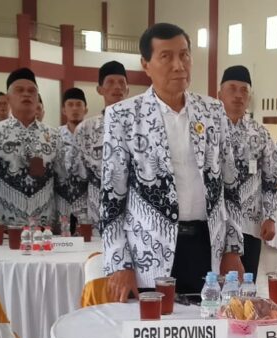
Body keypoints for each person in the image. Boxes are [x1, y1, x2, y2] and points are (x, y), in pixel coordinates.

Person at [101, 23, 243, 299]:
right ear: (146, 64)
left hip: (206, 246)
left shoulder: (213, 111)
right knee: (155, 324)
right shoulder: (123, 116)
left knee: (207, 321)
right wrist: (120, 263)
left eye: (184, 55)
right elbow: (111, 197)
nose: (179, 65)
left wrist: (233, 249)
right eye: (166, 56)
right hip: (148, 251)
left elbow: (230, 184)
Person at [0, 68, 68, 233]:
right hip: (5, 233)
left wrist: (64, 230)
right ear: (8, 98)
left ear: (37, 98)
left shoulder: (53, 136)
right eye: (19, 90)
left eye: (31, 91)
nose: (26, 94)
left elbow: (62, 184)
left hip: (44, 233)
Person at [217, 65, 277, 279]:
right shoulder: (208, 129)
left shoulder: (261, 134)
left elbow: (271, 178)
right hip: (215, 223)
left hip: (250, 224)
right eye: (232, 89)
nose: (238, 95)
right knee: (214, 283)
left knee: (246, 283)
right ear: (219, 94)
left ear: (250, 97)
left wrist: (270, 217)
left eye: (244, 90)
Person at [74, 61, 130, 229]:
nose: (117, 87)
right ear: (100, 89)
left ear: (127, 90)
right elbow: (78, 179)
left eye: (121, 82)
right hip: (96, 217)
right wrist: (81, 219)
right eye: (110, 82)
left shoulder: (139, 126)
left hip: (132, 219)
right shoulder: (85, 129)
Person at [56, 88, 89, 220]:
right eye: (70, 104)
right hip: (60, 203)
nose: (75, 108)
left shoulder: (94, 135)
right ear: (64, 110)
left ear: (85, 109)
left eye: (79, 104)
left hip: (87, 204)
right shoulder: (54, 135)